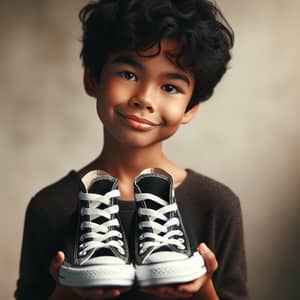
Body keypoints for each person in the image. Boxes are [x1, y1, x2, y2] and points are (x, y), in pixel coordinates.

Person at [15, 0, 248, 299]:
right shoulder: (49, 207)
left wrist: (204, 289)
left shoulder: (217, 204)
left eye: (170, 87)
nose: (144, 98)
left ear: (190, 109)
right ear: (92, 79)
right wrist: (65, 292)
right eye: (128, 74)